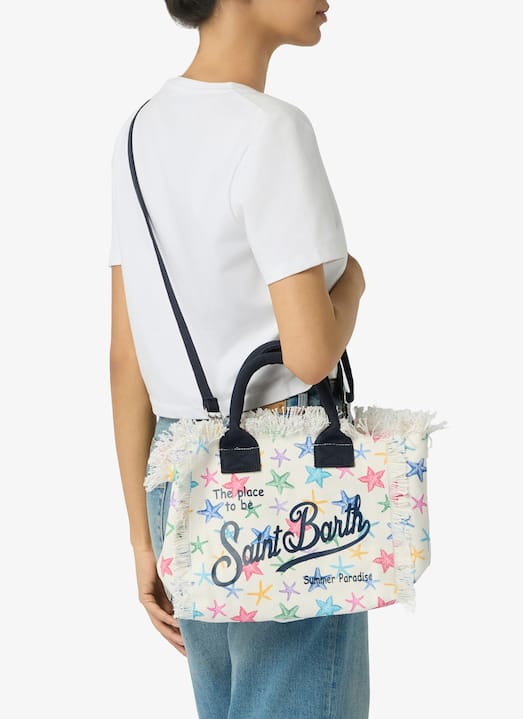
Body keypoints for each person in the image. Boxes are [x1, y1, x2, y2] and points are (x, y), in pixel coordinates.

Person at [109, 1, 368, 717]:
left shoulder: (139, 131)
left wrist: (142, 541)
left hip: (177, 473)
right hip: (286, 476)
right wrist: (354, 281)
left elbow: (127, 357)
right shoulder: (271, 128)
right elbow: (310, 353)